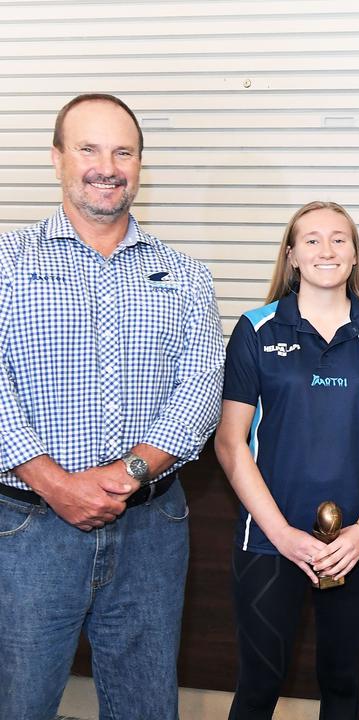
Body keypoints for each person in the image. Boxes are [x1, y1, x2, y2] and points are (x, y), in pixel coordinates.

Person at [0, 93, 224, 719]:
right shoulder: (6, 264)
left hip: (151, 531)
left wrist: (125, 475)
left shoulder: (185, 275)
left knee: (147, 708)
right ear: (56, 159)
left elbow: (202, 388)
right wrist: (54, 483)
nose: (108, 165)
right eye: (89, 148)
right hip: (26, 529)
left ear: (140, 165)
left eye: (123, 151)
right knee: (19, 703)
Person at [215, 200, 359, 718]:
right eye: (312, 240)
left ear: (354, 256)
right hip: (267, 542)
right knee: (259, 685)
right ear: (291, 257)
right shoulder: (256, 330)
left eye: (339, 239)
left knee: (343, 686)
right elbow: (230, 442)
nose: (326, 250)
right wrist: (282, 535)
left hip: (354, 545)